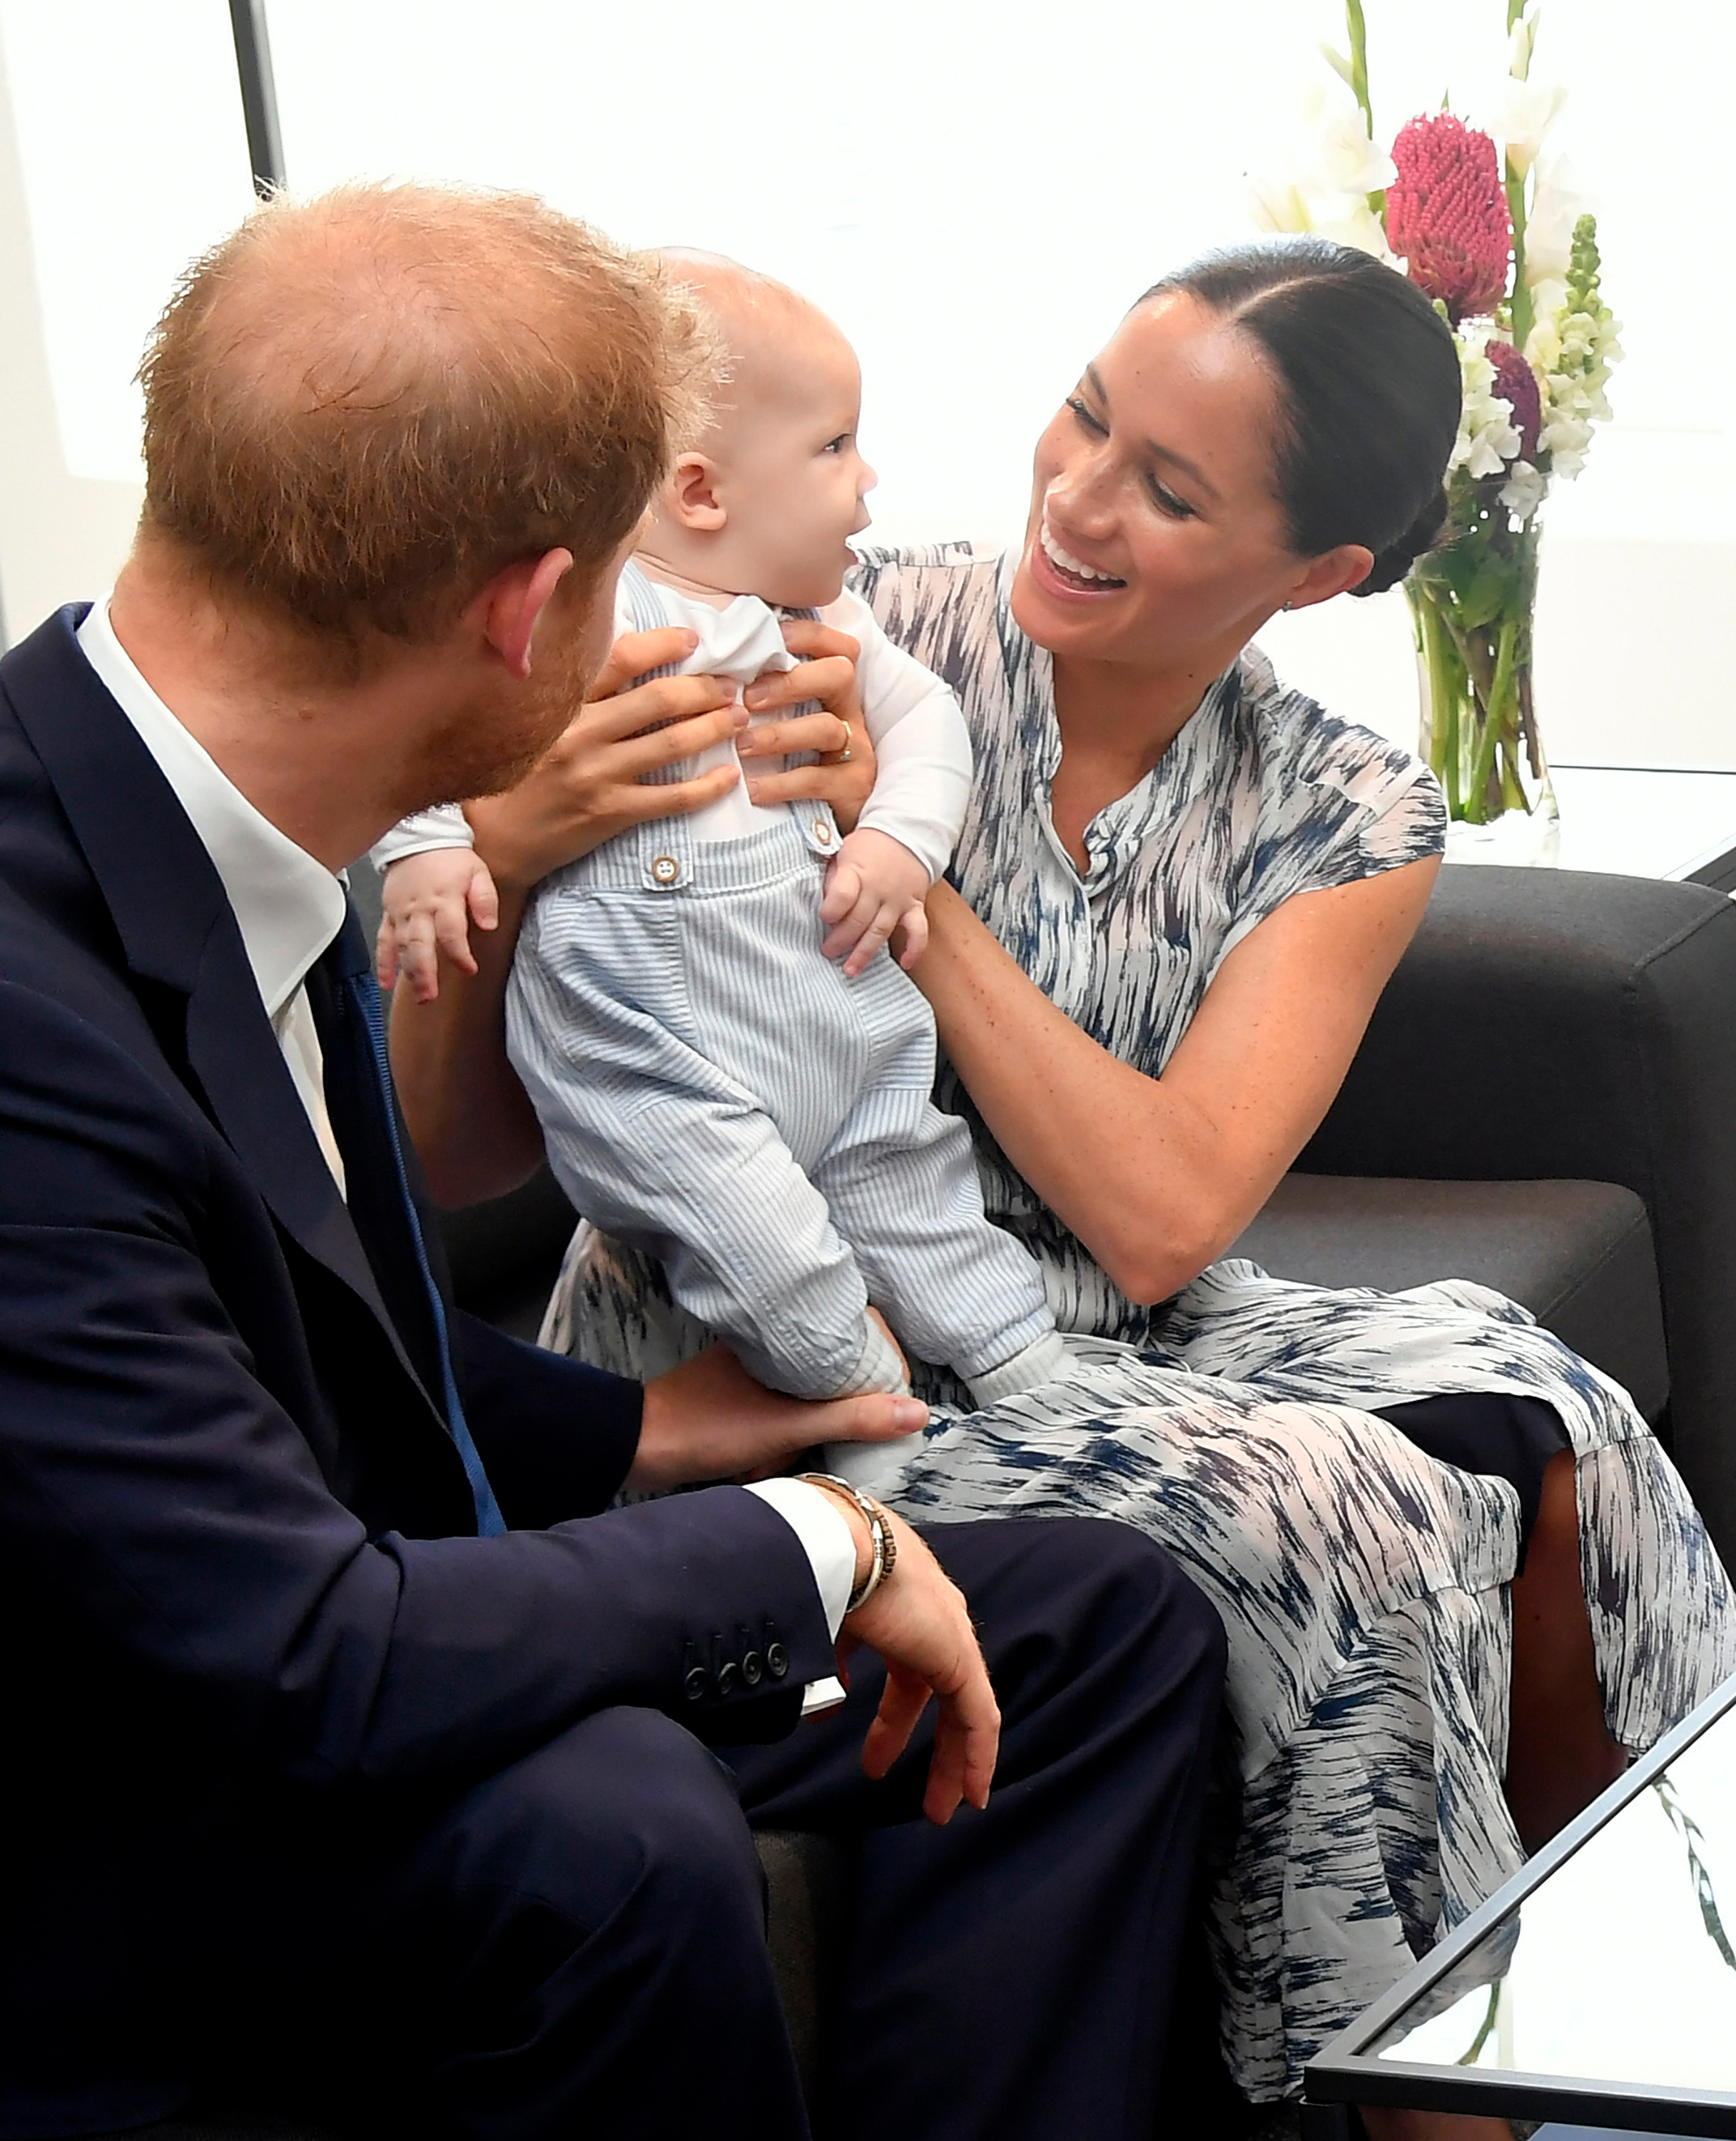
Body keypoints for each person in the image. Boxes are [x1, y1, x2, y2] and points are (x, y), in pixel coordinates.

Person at [390, 237, 1736, 2141]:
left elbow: (1162, 1219)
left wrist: (913, 892)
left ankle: (1638, 2028)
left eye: (1167, 490)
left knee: (1555, 1416)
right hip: (789, 1322)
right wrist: (509, 843)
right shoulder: (823, 616)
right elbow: (465, 1134)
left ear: (1316, 574)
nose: (1077, 498)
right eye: (1085, 417)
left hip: (1109, 1300)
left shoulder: (1342, 807)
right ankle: (1422, 2112)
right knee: (1348, 1510)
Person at [0, 182, 1229, 2141]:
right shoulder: (27, 1014)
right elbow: (304, 1653)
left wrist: (645, 1432)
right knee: (614, 1830)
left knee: (1100, 1624)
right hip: (155, 1810)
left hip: (342, 1623)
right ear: (535, 612)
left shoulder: (239, 806)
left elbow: (259, 1326)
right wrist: (816, 1537)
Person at [370, 257, 1064, 1493]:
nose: (868, 479)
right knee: (765, 1247)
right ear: (699, 489)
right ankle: (860, 1398)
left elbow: (929, 725)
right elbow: (436, 726)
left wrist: (896, 843)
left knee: (915, 1184)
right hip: (648, 1044)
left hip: (828, 1004)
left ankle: (1027, 1370)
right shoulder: (574, 608)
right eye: (836, 446)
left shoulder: (822, 621)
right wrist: (432, 854)